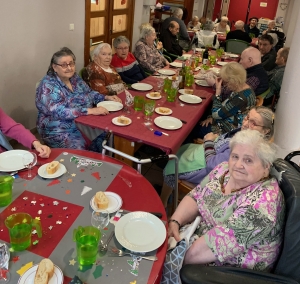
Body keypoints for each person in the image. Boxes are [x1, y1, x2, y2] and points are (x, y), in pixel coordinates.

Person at [166, 129, 284, 274]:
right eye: (235, 156)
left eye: (248, 160)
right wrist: (175, 222)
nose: (238, 165)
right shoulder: (223, 170)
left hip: (224, 271)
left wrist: (168, 259)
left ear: (266, 168)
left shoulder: (261, 207)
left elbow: (208, 248)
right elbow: (196, 196)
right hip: (194, 237)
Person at [161, 107, 275, 202]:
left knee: (172, 164)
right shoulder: (245, 133)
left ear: (265, 131)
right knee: (182, 148)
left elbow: (213, 166)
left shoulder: (243, 148)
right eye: (247, 117)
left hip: (205, 172)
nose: (245, 124)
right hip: (208, 152)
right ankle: (170, 193)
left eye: (253, 123)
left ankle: (164, 201)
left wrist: (208, 141)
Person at [36, 47, 121, 151]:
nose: (69, 68)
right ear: (54, 67)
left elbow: (89, 92)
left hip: (83, 121)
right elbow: (60, 112)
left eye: (71, 63)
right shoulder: (48, 85)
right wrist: (90, 110)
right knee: (79, 147)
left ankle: (102, 162)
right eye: (64, 65)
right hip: (58, 128)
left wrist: (106, 97)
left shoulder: (74, 78)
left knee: (108, 132)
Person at [190, 62, 256, 140]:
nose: (224, 85)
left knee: (191, 128)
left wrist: (218, 91)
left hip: (226, 131)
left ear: (232, 81)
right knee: (202, 117)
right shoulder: (245, 89)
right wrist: (213, 117)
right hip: (226, 120)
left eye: (225, 82)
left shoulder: (240, 98)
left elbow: (216, 114)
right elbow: (223, 107)